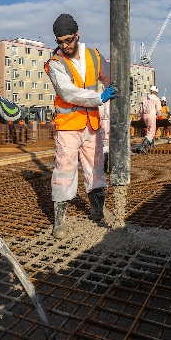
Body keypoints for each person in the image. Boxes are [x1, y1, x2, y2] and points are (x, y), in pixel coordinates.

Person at [44, 14, 118, 239]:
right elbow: (67, 92)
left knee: (96, 168)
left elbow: (110, 78)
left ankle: (98, 209)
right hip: (68, 126)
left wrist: (119, 84)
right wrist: (100, 96)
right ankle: (60, 221)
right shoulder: (55, 63)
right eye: (60, 41)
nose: (64, 46)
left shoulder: (94, 56)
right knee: (65, 171)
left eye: (68, 40)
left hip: (91, 124)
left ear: (77, 35)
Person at [138, 86, 161, 153]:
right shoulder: (156, 98)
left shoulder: (145, 98)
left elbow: (140, 109)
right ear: (156, 92)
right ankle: (143, 146)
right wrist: (159, 115)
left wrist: (142, 116)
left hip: (145, 116)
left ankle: (151, 145)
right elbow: (158, 108)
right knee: (152, 131)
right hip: (151, 115)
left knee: (149, 129)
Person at [98, 85, 110, 173]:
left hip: (109, 122)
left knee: (108, 143)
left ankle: (106, 164)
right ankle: (104, 164)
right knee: (103, 143)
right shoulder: (99, 95)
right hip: (102, 122)